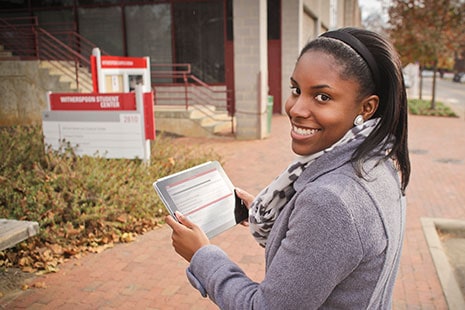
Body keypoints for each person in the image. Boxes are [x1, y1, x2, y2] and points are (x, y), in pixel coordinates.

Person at [165, 27, 410, 309]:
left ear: (367, 107)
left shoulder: (330, 202)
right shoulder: (380, 163)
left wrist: (202, 255)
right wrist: (274, 215)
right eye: (296, 90)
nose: (295, 108)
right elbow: (334, 255)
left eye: (323, 97)